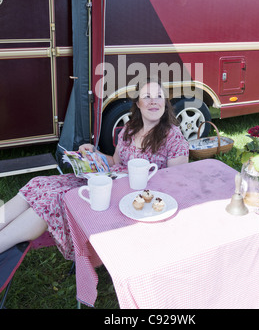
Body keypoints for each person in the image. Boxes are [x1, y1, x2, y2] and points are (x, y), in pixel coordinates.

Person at [0, 78, 189, 260]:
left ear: (165, 102)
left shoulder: (172, 136)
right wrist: (94, 155)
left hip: (128, 195)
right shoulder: (130, 129)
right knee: (39, 183)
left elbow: (174, 183)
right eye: (147, 96)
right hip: (107, 179)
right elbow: (115, 161)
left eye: (158, 96)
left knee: (54, 200)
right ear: (138, 103)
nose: (153, 101)